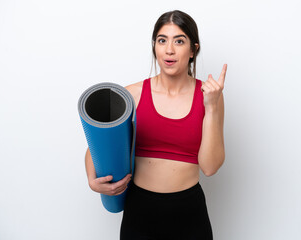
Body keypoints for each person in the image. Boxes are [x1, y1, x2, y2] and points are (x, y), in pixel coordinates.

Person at [85, 10, 227, 240]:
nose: (169, 49)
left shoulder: (210, 96)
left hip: (189, 213)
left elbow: (210, 167)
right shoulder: (132, 94)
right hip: (140, 212)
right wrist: (93, 181)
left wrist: (211, 107)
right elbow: (96, 147)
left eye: (179, 41)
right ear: (155, 47)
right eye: (162, 40)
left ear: (193, 50)